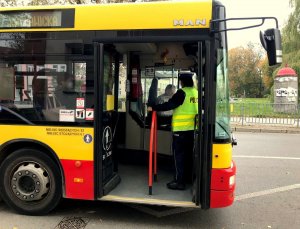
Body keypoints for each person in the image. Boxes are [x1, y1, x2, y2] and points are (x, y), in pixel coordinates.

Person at [148, 73, 198, 190]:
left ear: (182, 82)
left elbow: (170, 105)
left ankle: (179, 182)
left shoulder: (182, 92)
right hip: (192, 131)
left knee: (178, 157)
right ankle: (188, 178)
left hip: (180, 132)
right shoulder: (196, 93)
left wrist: (153, 108)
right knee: (188, 156)